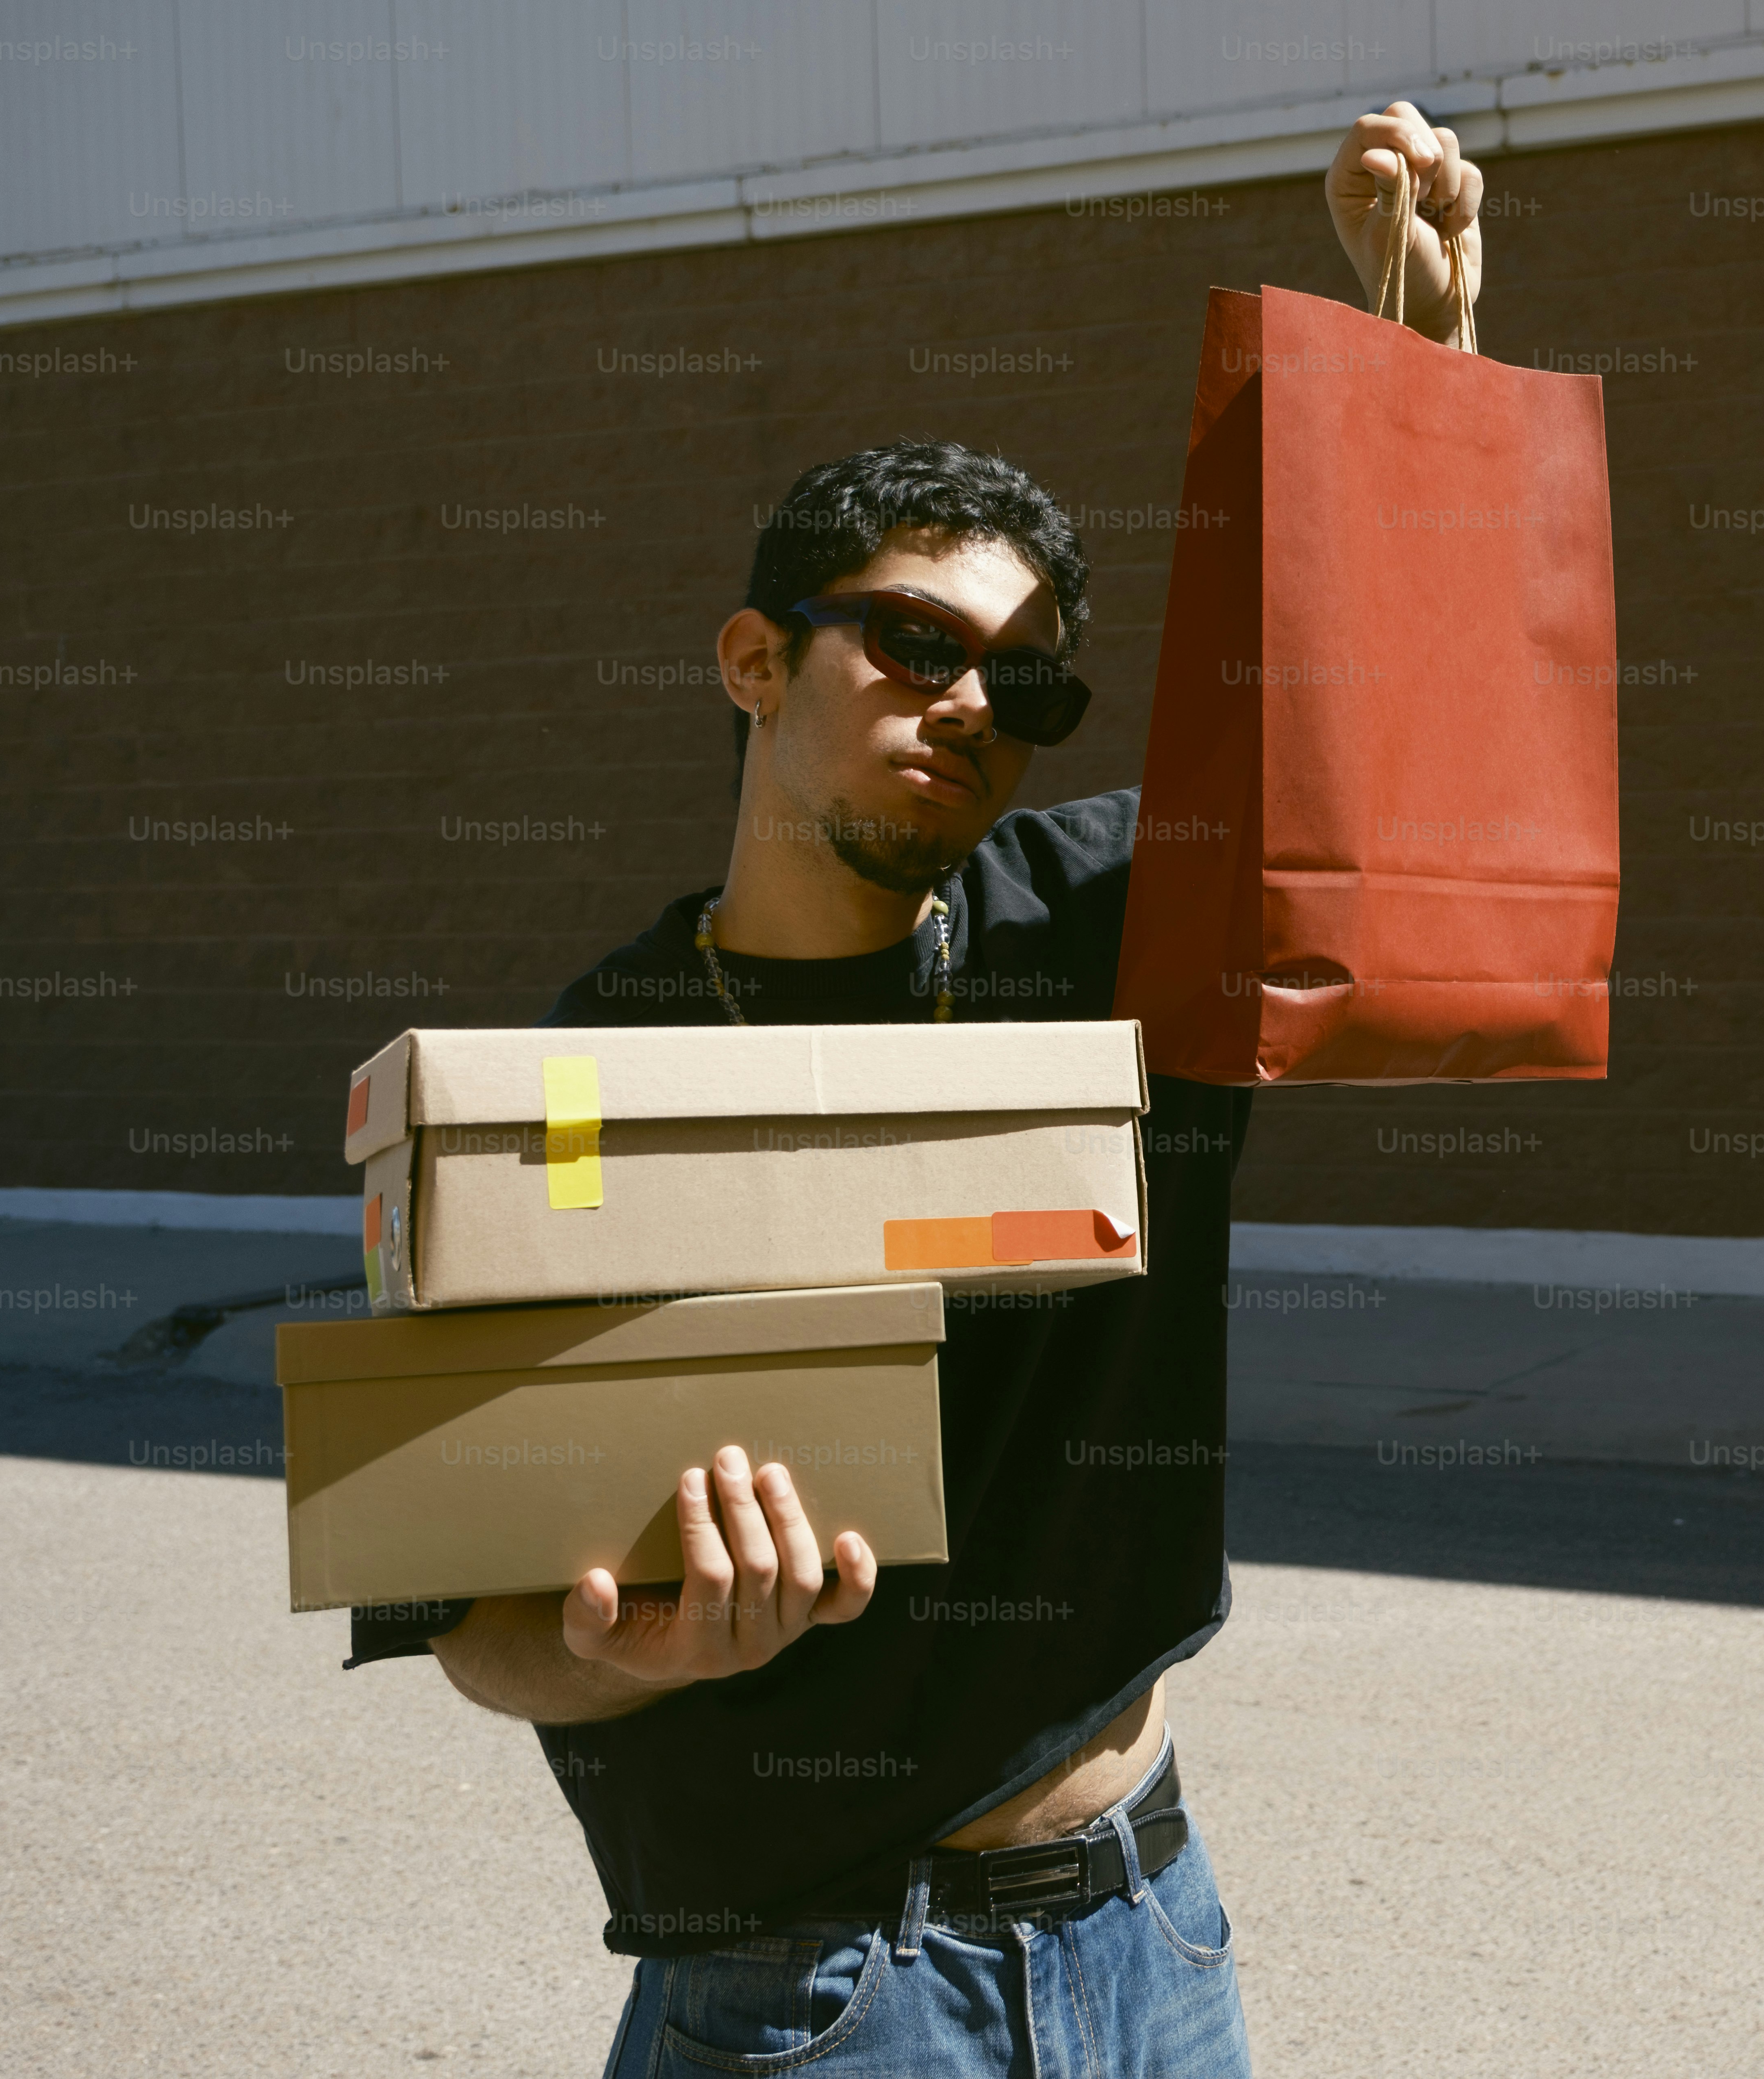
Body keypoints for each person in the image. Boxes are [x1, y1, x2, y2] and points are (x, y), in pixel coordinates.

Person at [339, 106, 1486, 2077]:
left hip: (1148, 1935)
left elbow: (1393, 756)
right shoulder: (581, 1077)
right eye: (915, 642)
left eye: (1026, 683)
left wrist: (1420, 357)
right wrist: (627, 1648)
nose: (972, 705)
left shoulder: (1120, 937)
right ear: (751, 658)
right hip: (816, 1995)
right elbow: (463, 1607)